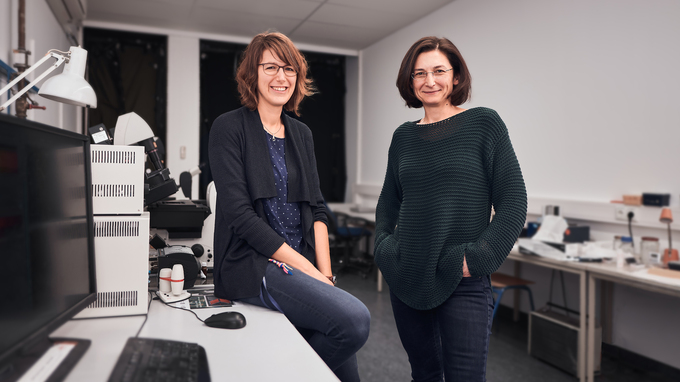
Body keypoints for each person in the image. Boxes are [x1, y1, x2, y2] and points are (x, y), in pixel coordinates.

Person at [208, 32, 370, 382]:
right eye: (270, 67)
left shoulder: (301, 134)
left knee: (346, 368)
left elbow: (318, 209)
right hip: (254, 264)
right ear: (252, 74)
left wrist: (325, 275)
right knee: (355, 322)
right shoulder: (229, 128)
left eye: (289, 69)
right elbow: (240, 217)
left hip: (303, 266)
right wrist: (309, 273)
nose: (281, 77)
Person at [374, 36, 527, 382]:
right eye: (419, 73)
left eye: (439, 70)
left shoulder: (484, 124)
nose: (430, 81)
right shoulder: (403, 137)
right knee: (424, 375)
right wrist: (384, 248)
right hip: (407, 274)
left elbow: (513, 202)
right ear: (410, 82)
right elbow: (388, 201)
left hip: (462, 279)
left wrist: (476, 260)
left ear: (456, 77)